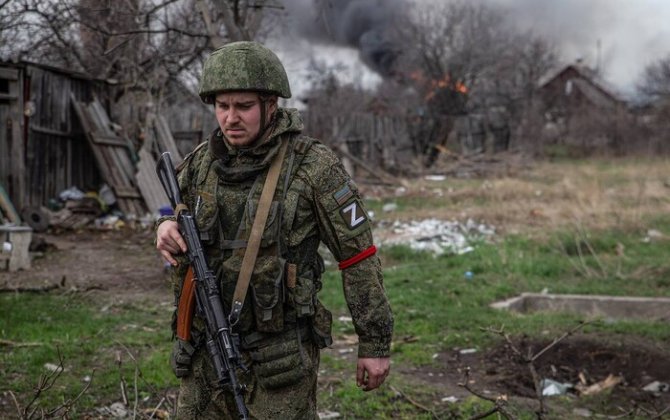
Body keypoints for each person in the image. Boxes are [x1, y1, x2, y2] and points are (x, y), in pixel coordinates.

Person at [155, 40, 393, 419]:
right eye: (222, 106)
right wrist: (164, 226)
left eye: (244, 106)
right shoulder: (201, 162)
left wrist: (374, 342)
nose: (231, 118)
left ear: (271, 105)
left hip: (279, 359)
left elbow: (358, 256)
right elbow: (174, 212)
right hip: (202, 351)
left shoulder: (313, 166)